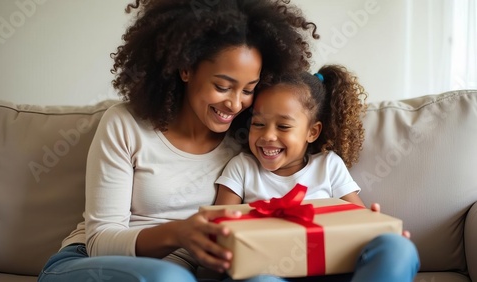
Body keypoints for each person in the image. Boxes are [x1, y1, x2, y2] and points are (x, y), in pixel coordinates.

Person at [38, 0, 320, 281]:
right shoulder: (126, 125)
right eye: (222, 86)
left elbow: (304, 171)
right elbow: (100, 243)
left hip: (187, 272)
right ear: (186, 69)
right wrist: (179, 232)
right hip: (89, 263)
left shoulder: (249, 139)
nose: (235, 104)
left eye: (248, 89)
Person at [214, 67, 420, 281]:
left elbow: (358, 222)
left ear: (312, 132)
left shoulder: (328, 165)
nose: (268, 136)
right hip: (268, 271)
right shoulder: (242, 168)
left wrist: (376, 227)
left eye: (283, 126)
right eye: (258, 124)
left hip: (331, 270)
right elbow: (219, 229)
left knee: (398, 248)